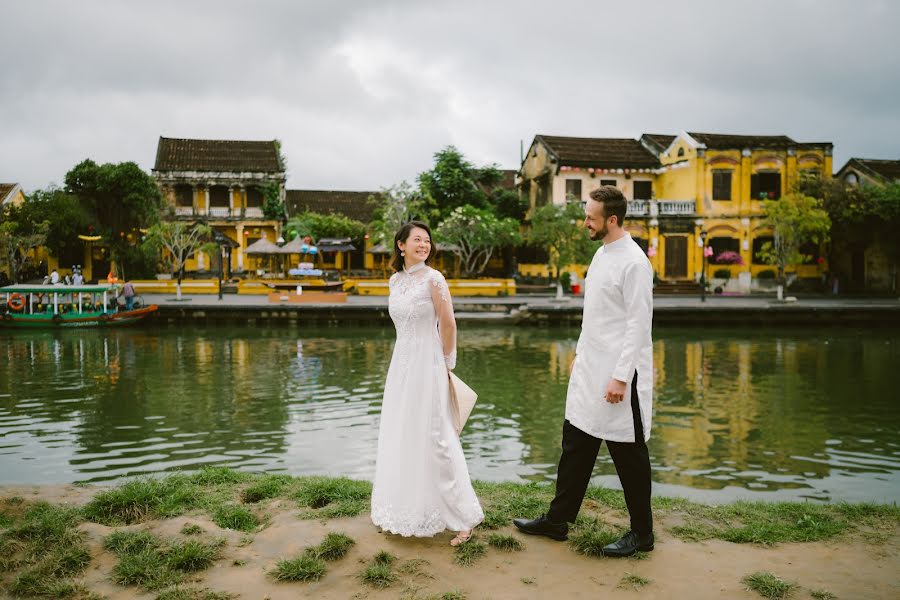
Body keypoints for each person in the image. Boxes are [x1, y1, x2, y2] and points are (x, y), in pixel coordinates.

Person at [514, 185, 655, 557]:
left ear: (612, 219)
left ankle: (642, 534)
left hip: (621, 375)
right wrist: (579, 352)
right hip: (590, 367)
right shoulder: (601, 254)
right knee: (575, 444)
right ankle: (557, 521)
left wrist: (621, 377)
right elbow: (594, 315)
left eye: (590, 217)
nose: (585, 223)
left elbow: (637, 326)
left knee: (629, 455)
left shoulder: (635, 263)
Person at [371, 221, 484, 546]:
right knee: (402, 433)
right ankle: (403, 510)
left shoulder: (434, 279)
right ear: (401, 245)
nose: (424, 244)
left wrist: (447, 365)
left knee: (438, 437)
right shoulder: (395, 280)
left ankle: (463, 518)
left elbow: (448, 324)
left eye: (427, 240)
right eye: (417, 239)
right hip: (401, 366)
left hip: (430, 363)